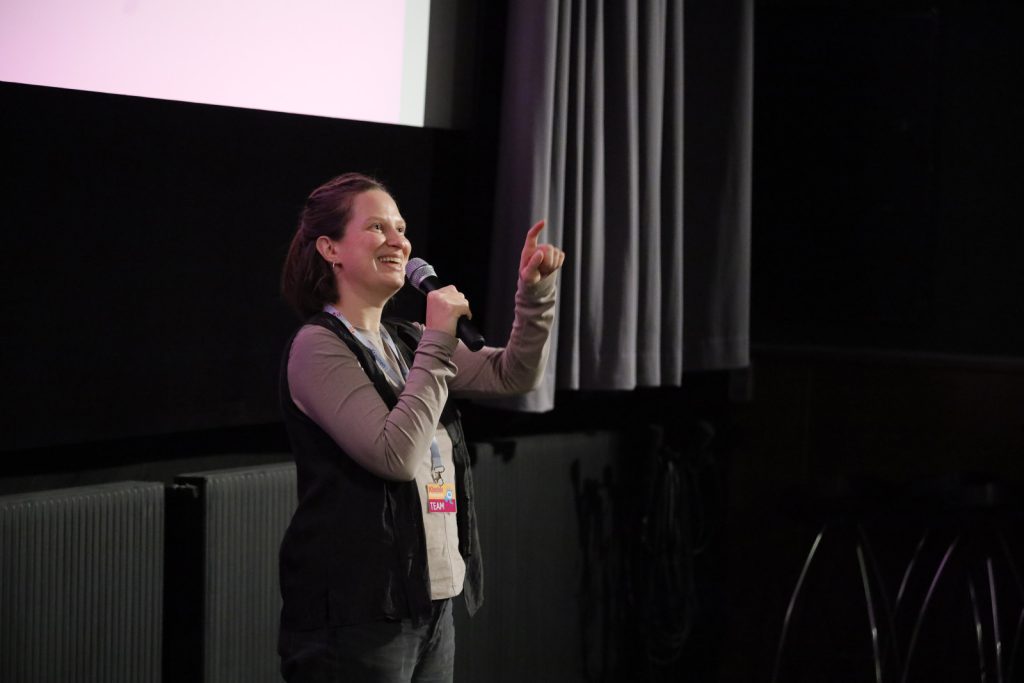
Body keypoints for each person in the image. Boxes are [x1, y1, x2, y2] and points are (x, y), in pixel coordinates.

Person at [276, 172, 564, 682]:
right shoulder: (318, 347)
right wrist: (438, 339)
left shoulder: (407, 341)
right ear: (330, 248)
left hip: (427, 600)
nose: (399, 241)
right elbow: (395, 456)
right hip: (359, 611)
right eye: (377, 227)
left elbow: (513, 373)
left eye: (402, 229)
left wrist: (534, 295)